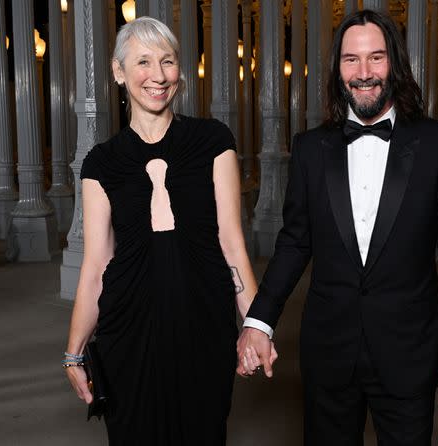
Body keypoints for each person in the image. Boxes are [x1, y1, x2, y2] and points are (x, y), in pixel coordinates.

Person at [237, 9, 438, 446]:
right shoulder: (311, 149)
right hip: (328, 351)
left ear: (396, 64)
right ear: (337, 70)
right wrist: (259, 321)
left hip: (409, 350)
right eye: (351, 60)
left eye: (376, 57)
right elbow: (294, 242)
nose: (364, 72)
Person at [63, 17, 265, 445]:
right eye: (143, 62)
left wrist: (256, 325)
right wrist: (74, 351)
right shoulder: (101, 163)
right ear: (119, 72)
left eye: (168, 62)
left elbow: (231, 245)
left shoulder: (213, 141)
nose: (158, 75)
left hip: (204, 324)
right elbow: (97, 265)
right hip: (127, 332)